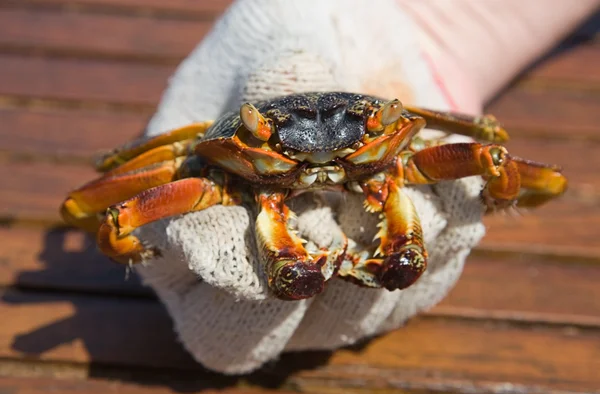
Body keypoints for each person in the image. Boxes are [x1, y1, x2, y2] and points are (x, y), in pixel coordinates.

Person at [132, 0, 599, 373]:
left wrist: (494, 189)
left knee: (489, 158)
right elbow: (113, 215)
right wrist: (126, 239)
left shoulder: (398, 134)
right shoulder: (207, 154)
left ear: (396, 122)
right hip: (241, 175)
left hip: (380, 159)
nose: (321, 165)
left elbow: (494, 153)